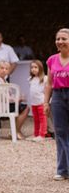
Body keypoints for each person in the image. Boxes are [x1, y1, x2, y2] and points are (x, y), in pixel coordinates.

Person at [43, 28, 69, 181]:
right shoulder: (51, 60)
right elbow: (49, 84)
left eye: (64, 39)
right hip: (58, 97)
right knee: (60, 134)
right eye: (58, 39)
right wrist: (46, 102)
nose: (60, 42)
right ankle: (62, 169)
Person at [0, 60, 27, 139]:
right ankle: (16, 131)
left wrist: (17, 98)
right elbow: (4, 98)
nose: (4, 70)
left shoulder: (3, 80)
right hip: (0, 108)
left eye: (6, 69)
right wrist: (17, 99)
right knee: (26, 108)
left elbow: (8, 96)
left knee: (19, 106)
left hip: (3, 106)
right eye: (2, 68)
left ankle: (14, 131)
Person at [28, 60, 48, 142]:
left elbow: (46, 90)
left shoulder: (44, 78)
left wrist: (47, 102)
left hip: (41, 102)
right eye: (32, 67)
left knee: (42, 119)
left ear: (40, 68)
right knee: (36, 119)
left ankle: (42, 135)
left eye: (36, 67)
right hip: (34, 103)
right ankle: (36, 134)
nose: (33, 69)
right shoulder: (30, 79)